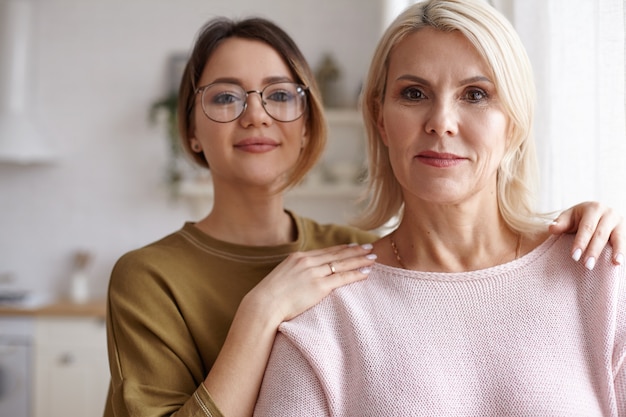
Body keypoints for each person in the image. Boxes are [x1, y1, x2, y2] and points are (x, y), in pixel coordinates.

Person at [104, 14, 625, 417]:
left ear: (308, 124)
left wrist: (584, 230)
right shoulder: (318, 300)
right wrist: (261, 312)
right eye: (224, 97)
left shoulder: (340, 256)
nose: (256, 114)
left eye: (280, 96)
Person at [253, 1, 626, 416]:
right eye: (414, 94)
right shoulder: (324, 314)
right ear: (380, 119)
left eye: (476, 95)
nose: (441, 121)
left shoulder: (599, 277)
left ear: (514, 123)